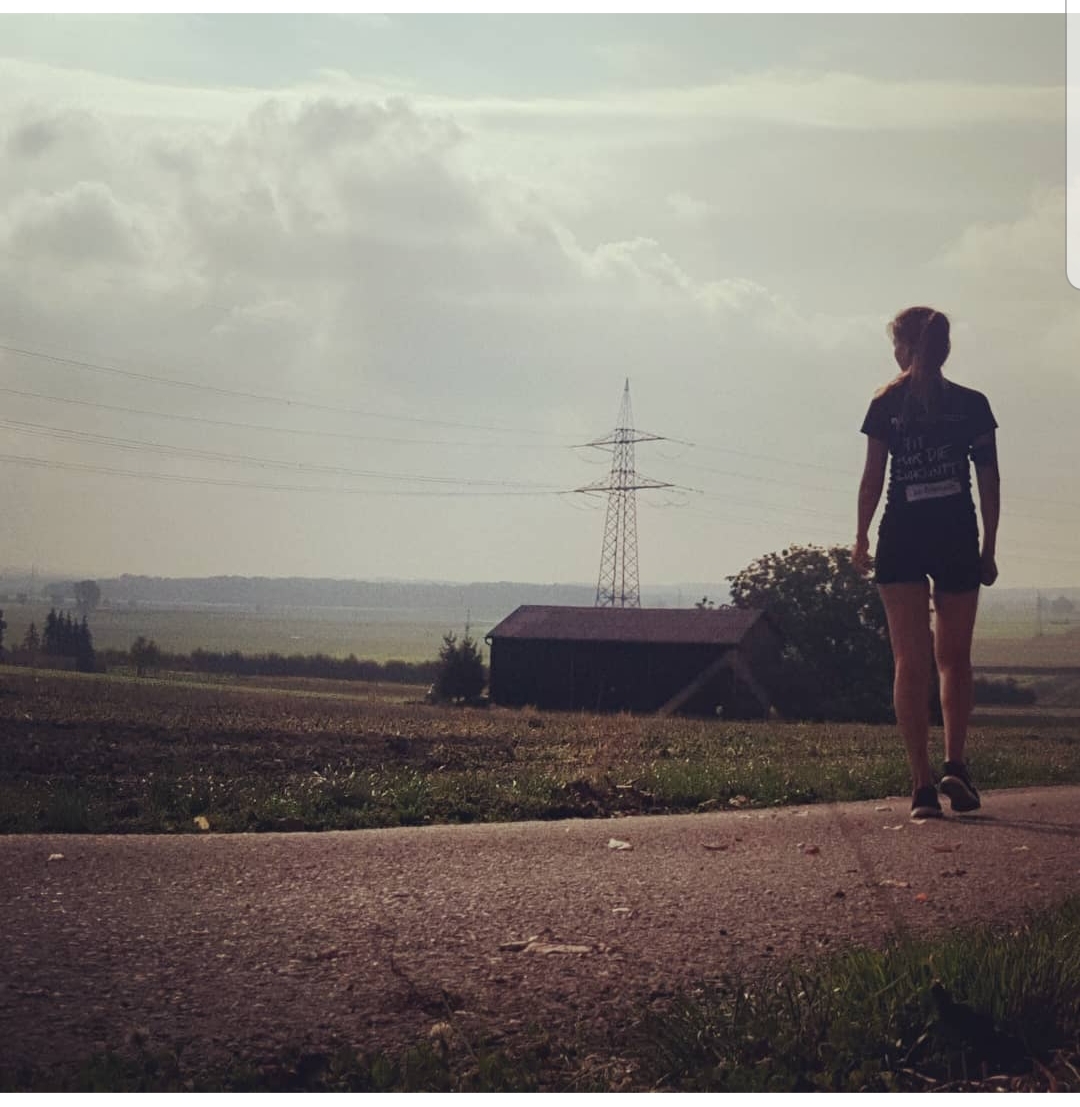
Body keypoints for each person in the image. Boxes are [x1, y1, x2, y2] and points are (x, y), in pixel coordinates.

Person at [853, 306, 1000, 820]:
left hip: (902, 535)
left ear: (905, 347)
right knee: (954, 659)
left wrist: (861, 537)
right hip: (957, 534)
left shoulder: (885, 404)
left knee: (908, 662)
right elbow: (989, 481)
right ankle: (955, 764)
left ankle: (921, 788)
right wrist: (989, 549)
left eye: (895, 344)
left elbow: (873, 478)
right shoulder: (973, 405)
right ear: (944, 348)